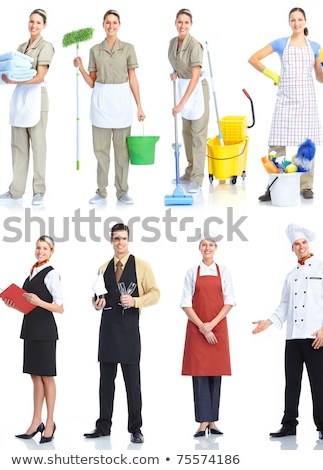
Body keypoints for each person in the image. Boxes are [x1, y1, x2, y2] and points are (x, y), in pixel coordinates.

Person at [252, 223, 323, 440]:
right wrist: (269, 322)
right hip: (292, 337)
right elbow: (283, 305)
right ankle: (289, 425)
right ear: (292, 249)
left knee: (318, 382)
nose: (301, 247)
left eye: (303, 243)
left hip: (314, 336)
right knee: (291, 383)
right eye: (296, 244)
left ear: (308, 245)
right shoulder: (290, 275)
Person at [84, 223, 160, 443]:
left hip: (129, 332)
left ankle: (135, 428)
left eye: (123, 238)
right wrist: (96, 304)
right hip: (107, 330)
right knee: (105, 382)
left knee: (132, 383)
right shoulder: (103, 267)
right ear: (111, 241)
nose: (120, 242)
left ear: (128, 240)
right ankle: (103, 426)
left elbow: (156, 294)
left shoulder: (142, 266)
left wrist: (136, 301)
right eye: (116, 238)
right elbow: (98, 296)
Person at [249, 7, 323, 201]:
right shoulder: (280, 44)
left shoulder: (314, 47)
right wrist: (272, 74)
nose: (296, 23)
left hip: (306, 101)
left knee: (307, 146)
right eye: (293, 20)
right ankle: (273, 186)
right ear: (289, 22)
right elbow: (253, 59)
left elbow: (319, 76)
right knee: (276, 146)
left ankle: (306, 187)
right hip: (285, 100)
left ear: (305, 22)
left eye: (300, 19)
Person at [73, 10, 145, 205]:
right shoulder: (95, 50)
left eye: (114, 22)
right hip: (101, 105)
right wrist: (80, 68)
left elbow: (133, 79)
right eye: (107, 22)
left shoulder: (128, 48)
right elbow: (92, 82)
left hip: (122, 105)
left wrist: (139, 106)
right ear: (103, 25)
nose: (111, 26)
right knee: (101, 152)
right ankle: (101, 191)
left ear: (119, 25)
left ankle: (122, 192)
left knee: (122, 153)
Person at [0, 9, 54, 206]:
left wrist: (13, 79)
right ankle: (15, 191)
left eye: (38, 22)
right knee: (18, 148)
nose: (34, 25)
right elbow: (11, 75)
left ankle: (39, 191)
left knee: (38, 147)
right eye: (31, 21)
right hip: (20, 99)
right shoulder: (21, 47)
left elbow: (39, 76)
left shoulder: (46, 47)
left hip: (37, 98)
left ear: (44, 25)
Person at [3, 235, 63, 443]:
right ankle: (36, 420)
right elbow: (27, 304)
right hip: (30, 329)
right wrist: (14, 304)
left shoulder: (52, 274)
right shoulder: (32, 272)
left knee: (47, 376)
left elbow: (60, 307)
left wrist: (38, 301)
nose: (40, 251)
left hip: (45, 331)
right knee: (34, 376)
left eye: (45, 249)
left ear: (51, 252)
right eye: (38, 248)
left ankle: (50, 422)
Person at [180, 234, 235, 437]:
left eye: (211, 245)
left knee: (215, 374)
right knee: (200, 376)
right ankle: (203, 422)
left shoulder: (225, 272)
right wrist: (203, 327)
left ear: (216, 248)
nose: (207, 248)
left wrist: (211, 324)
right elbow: (186, 303)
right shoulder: (192, 272)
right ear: (199, 248)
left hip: (218, 328)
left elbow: (229, 301)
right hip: (196, 329)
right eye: (204, 245)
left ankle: (213, 421)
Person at [168, 8, 210, 193]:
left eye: (186, 22)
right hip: (183, 87)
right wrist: (175, 73)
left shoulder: (195, 45)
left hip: (197, 90)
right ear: (175, 23)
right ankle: (190, 170)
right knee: (186, 134)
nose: (182, 25)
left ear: (191, 24)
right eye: (179, 22)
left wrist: (181, 104)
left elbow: (194, 77)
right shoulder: (172, 43)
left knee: (198, 136)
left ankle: (197, 179)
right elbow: (178, 63)